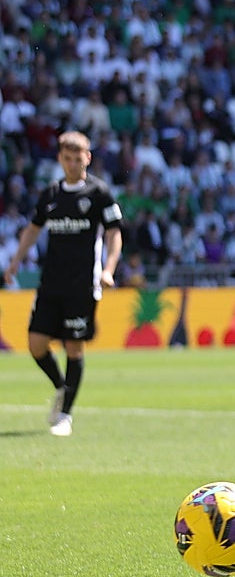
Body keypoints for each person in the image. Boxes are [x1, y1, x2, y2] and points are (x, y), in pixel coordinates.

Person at [2, 130, 123, 437]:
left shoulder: (99, 193)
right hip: (51, 283)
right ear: (59, 159)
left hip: (82, 284)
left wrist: (109, 269)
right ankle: (61, 387)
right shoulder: (52, 194)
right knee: (35, 343)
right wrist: (16, 259)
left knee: (73, 346)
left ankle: (65, 415)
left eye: (77, 158)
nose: (72, 164)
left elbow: (113, 234)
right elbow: (33, 228)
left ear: (88, 158)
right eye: (66, 158)